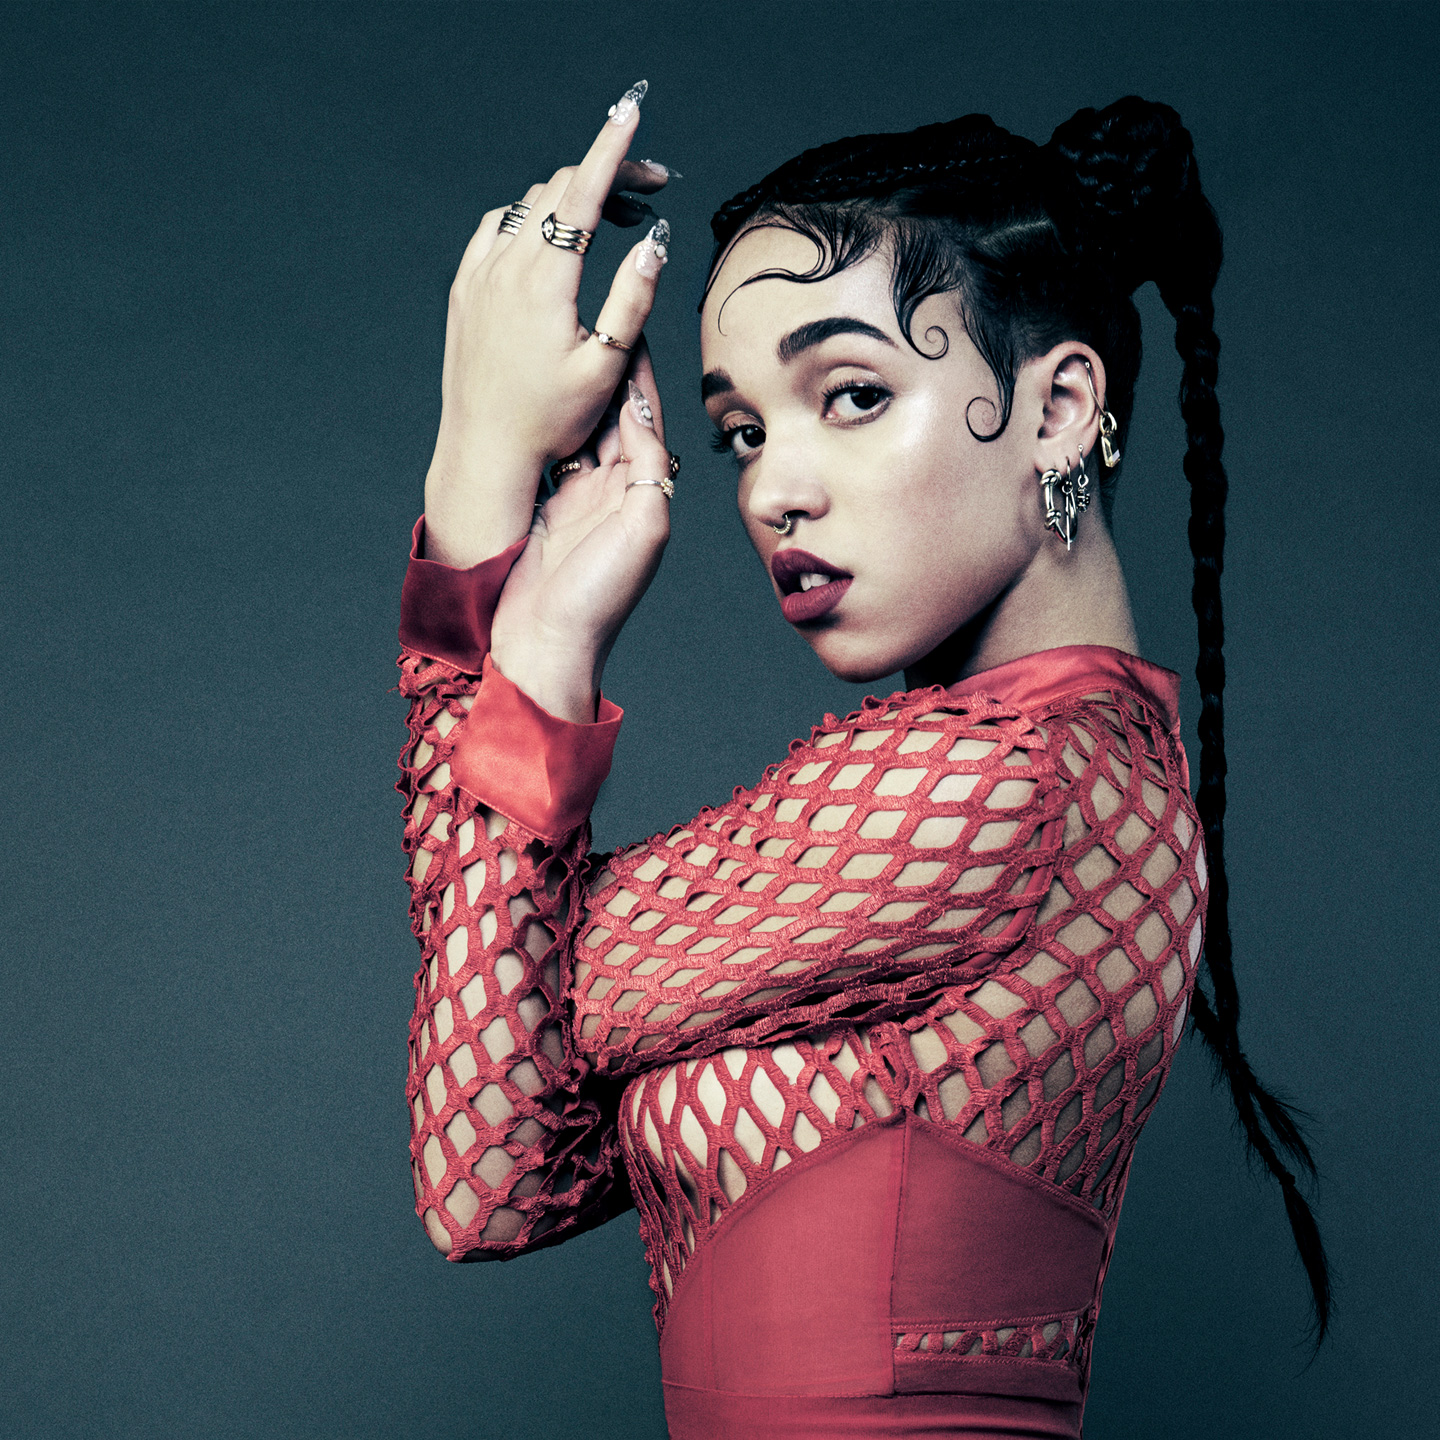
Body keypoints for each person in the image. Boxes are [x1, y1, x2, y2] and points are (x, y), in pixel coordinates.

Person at [394, 84, 1328, 1439]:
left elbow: (493, 1052)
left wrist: (483, 481)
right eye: (744, 431)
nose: (773, 489)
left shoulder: (1001, 788)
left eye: (851, 395)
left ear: (1062, 408)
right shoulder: (1097, 773)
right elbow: (496, 1173)